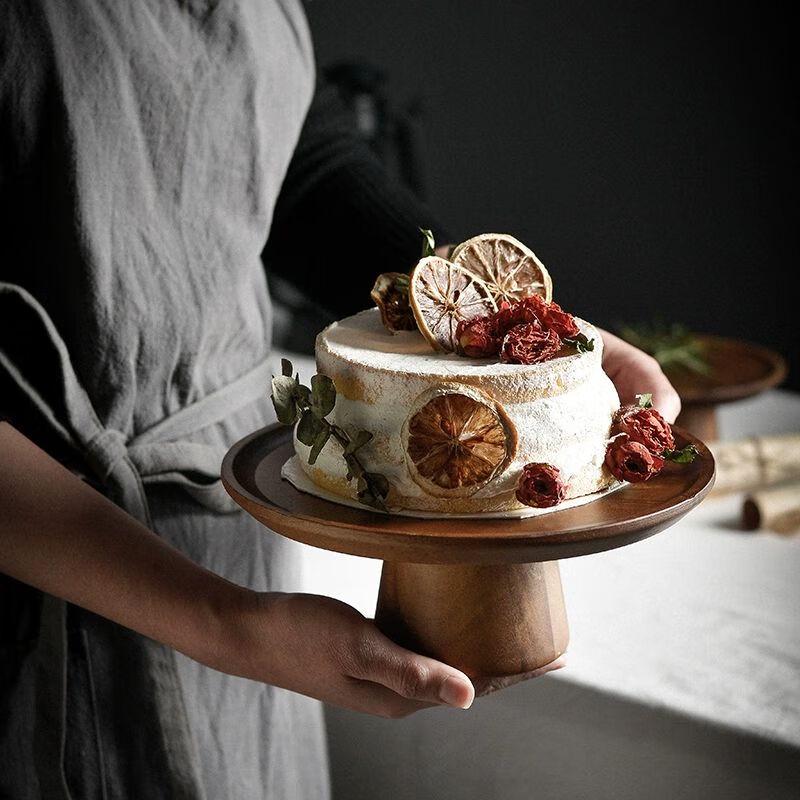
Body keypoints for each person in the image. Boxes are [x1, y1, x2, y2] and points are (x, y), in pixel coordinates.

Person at [0, 1, 680, 797]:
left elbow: (293, 160)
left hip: (228, 533)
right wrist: (224, 625)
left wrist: (483, 318)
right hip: (45, 548)